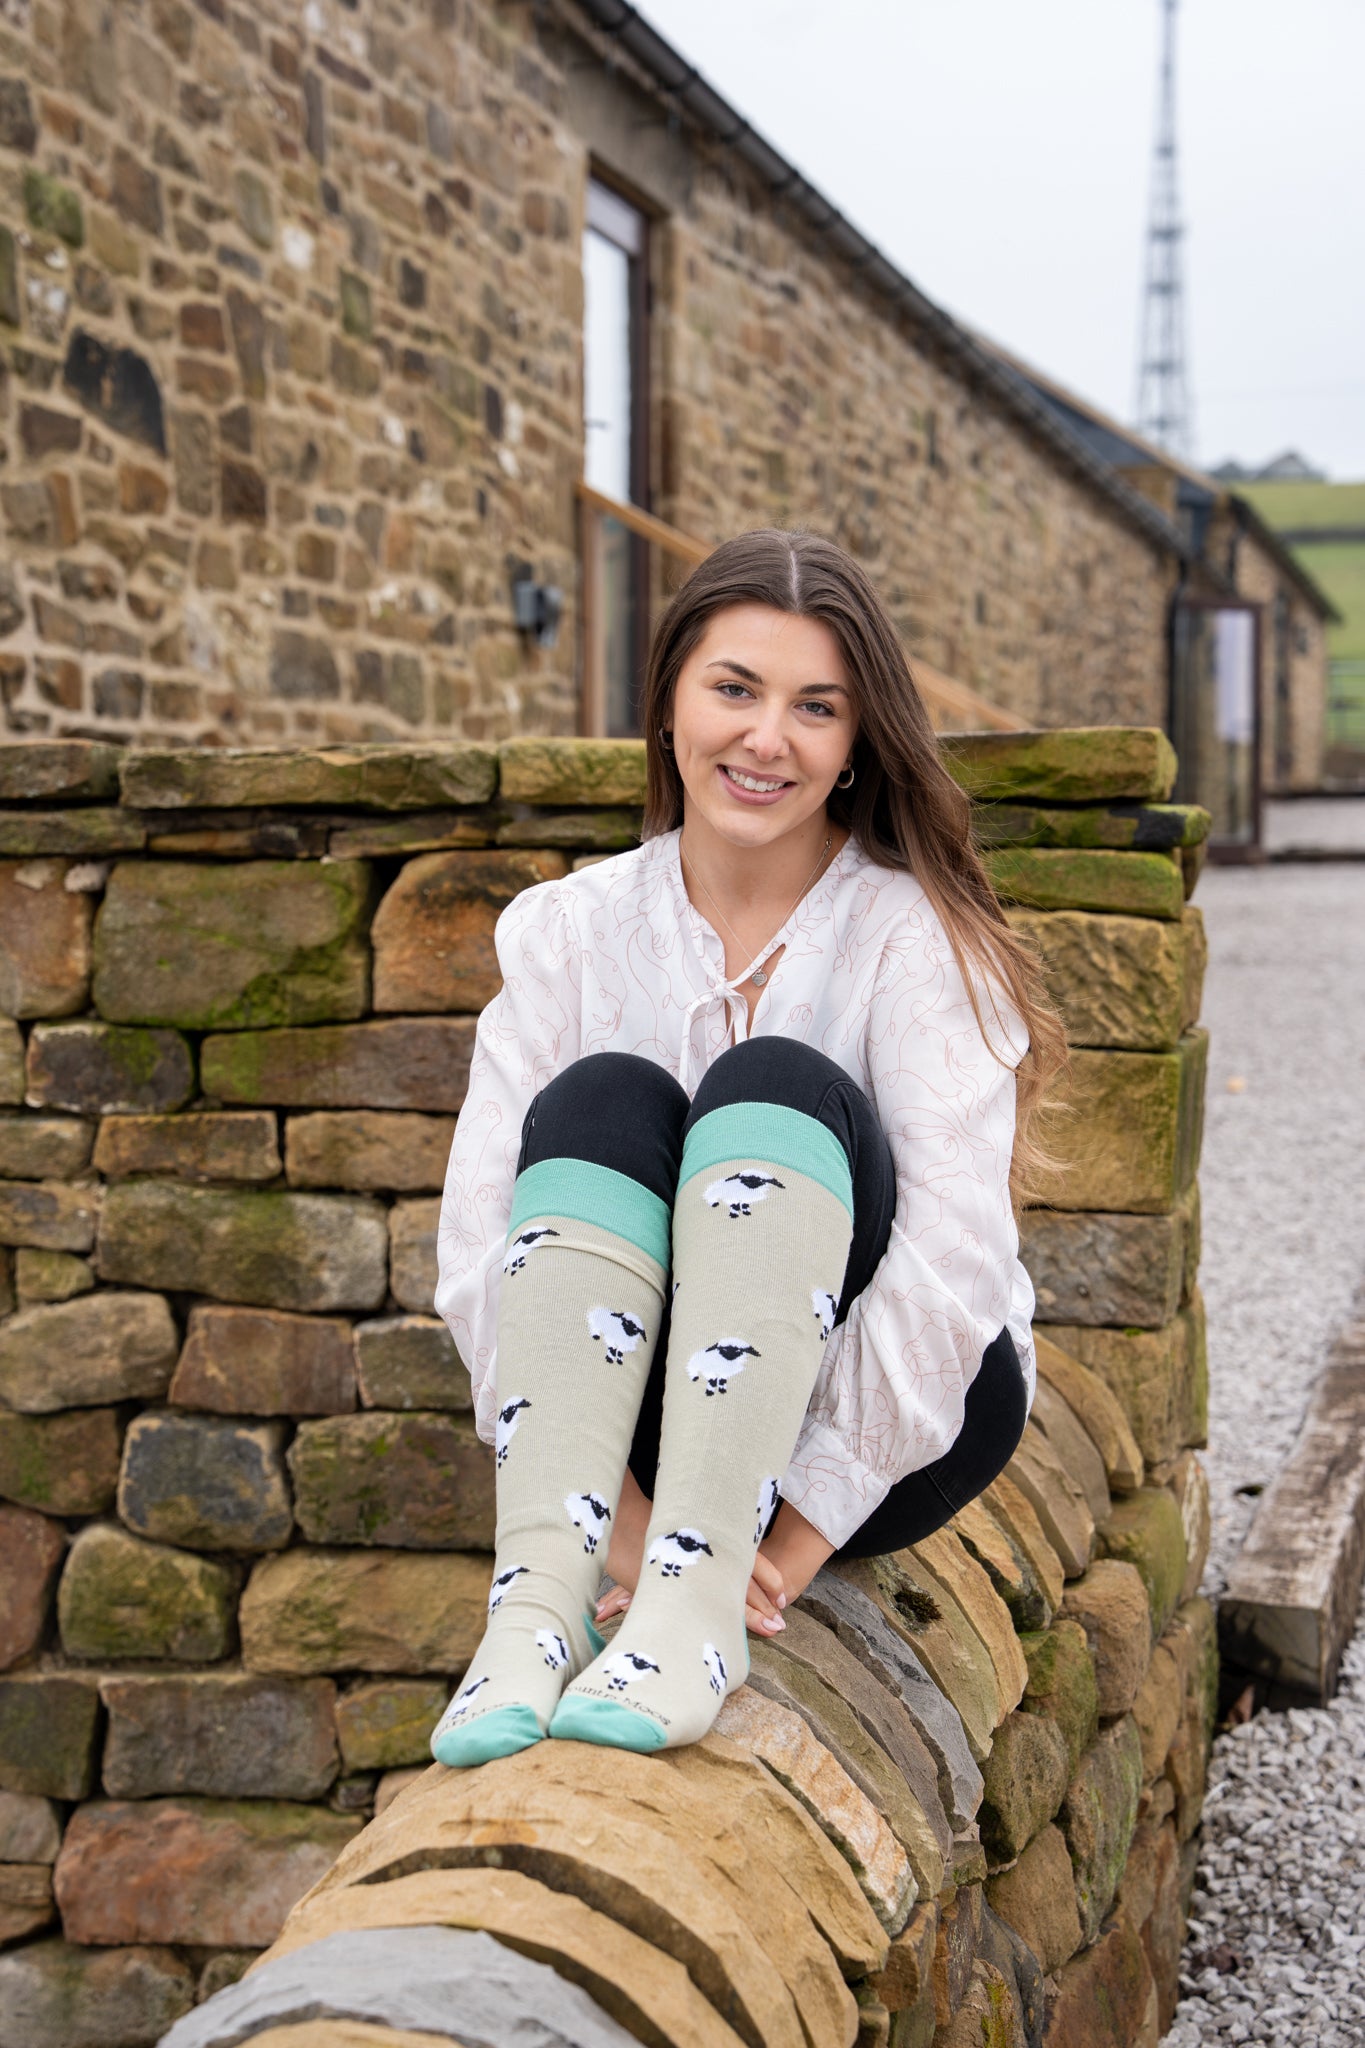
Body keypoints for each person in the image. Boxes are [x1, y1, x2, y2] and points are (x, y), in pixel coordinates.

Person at [430, 528, 1064, 1766]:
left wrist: (768, 1555)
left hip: (897, 1417)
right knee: (602, 1097)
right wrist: (620, 1533)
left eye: (815, 707)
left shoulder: (912, 936)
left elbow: (953, 1270)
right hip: (647, 1408)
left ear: (854, 745)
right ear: (669, 703)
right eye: (734, 688)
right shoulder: (566, 930)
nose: (767, 737)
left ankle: (691, 1620)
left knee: (770, 1086)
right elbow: (480, 1253)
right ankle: (535, 1604)